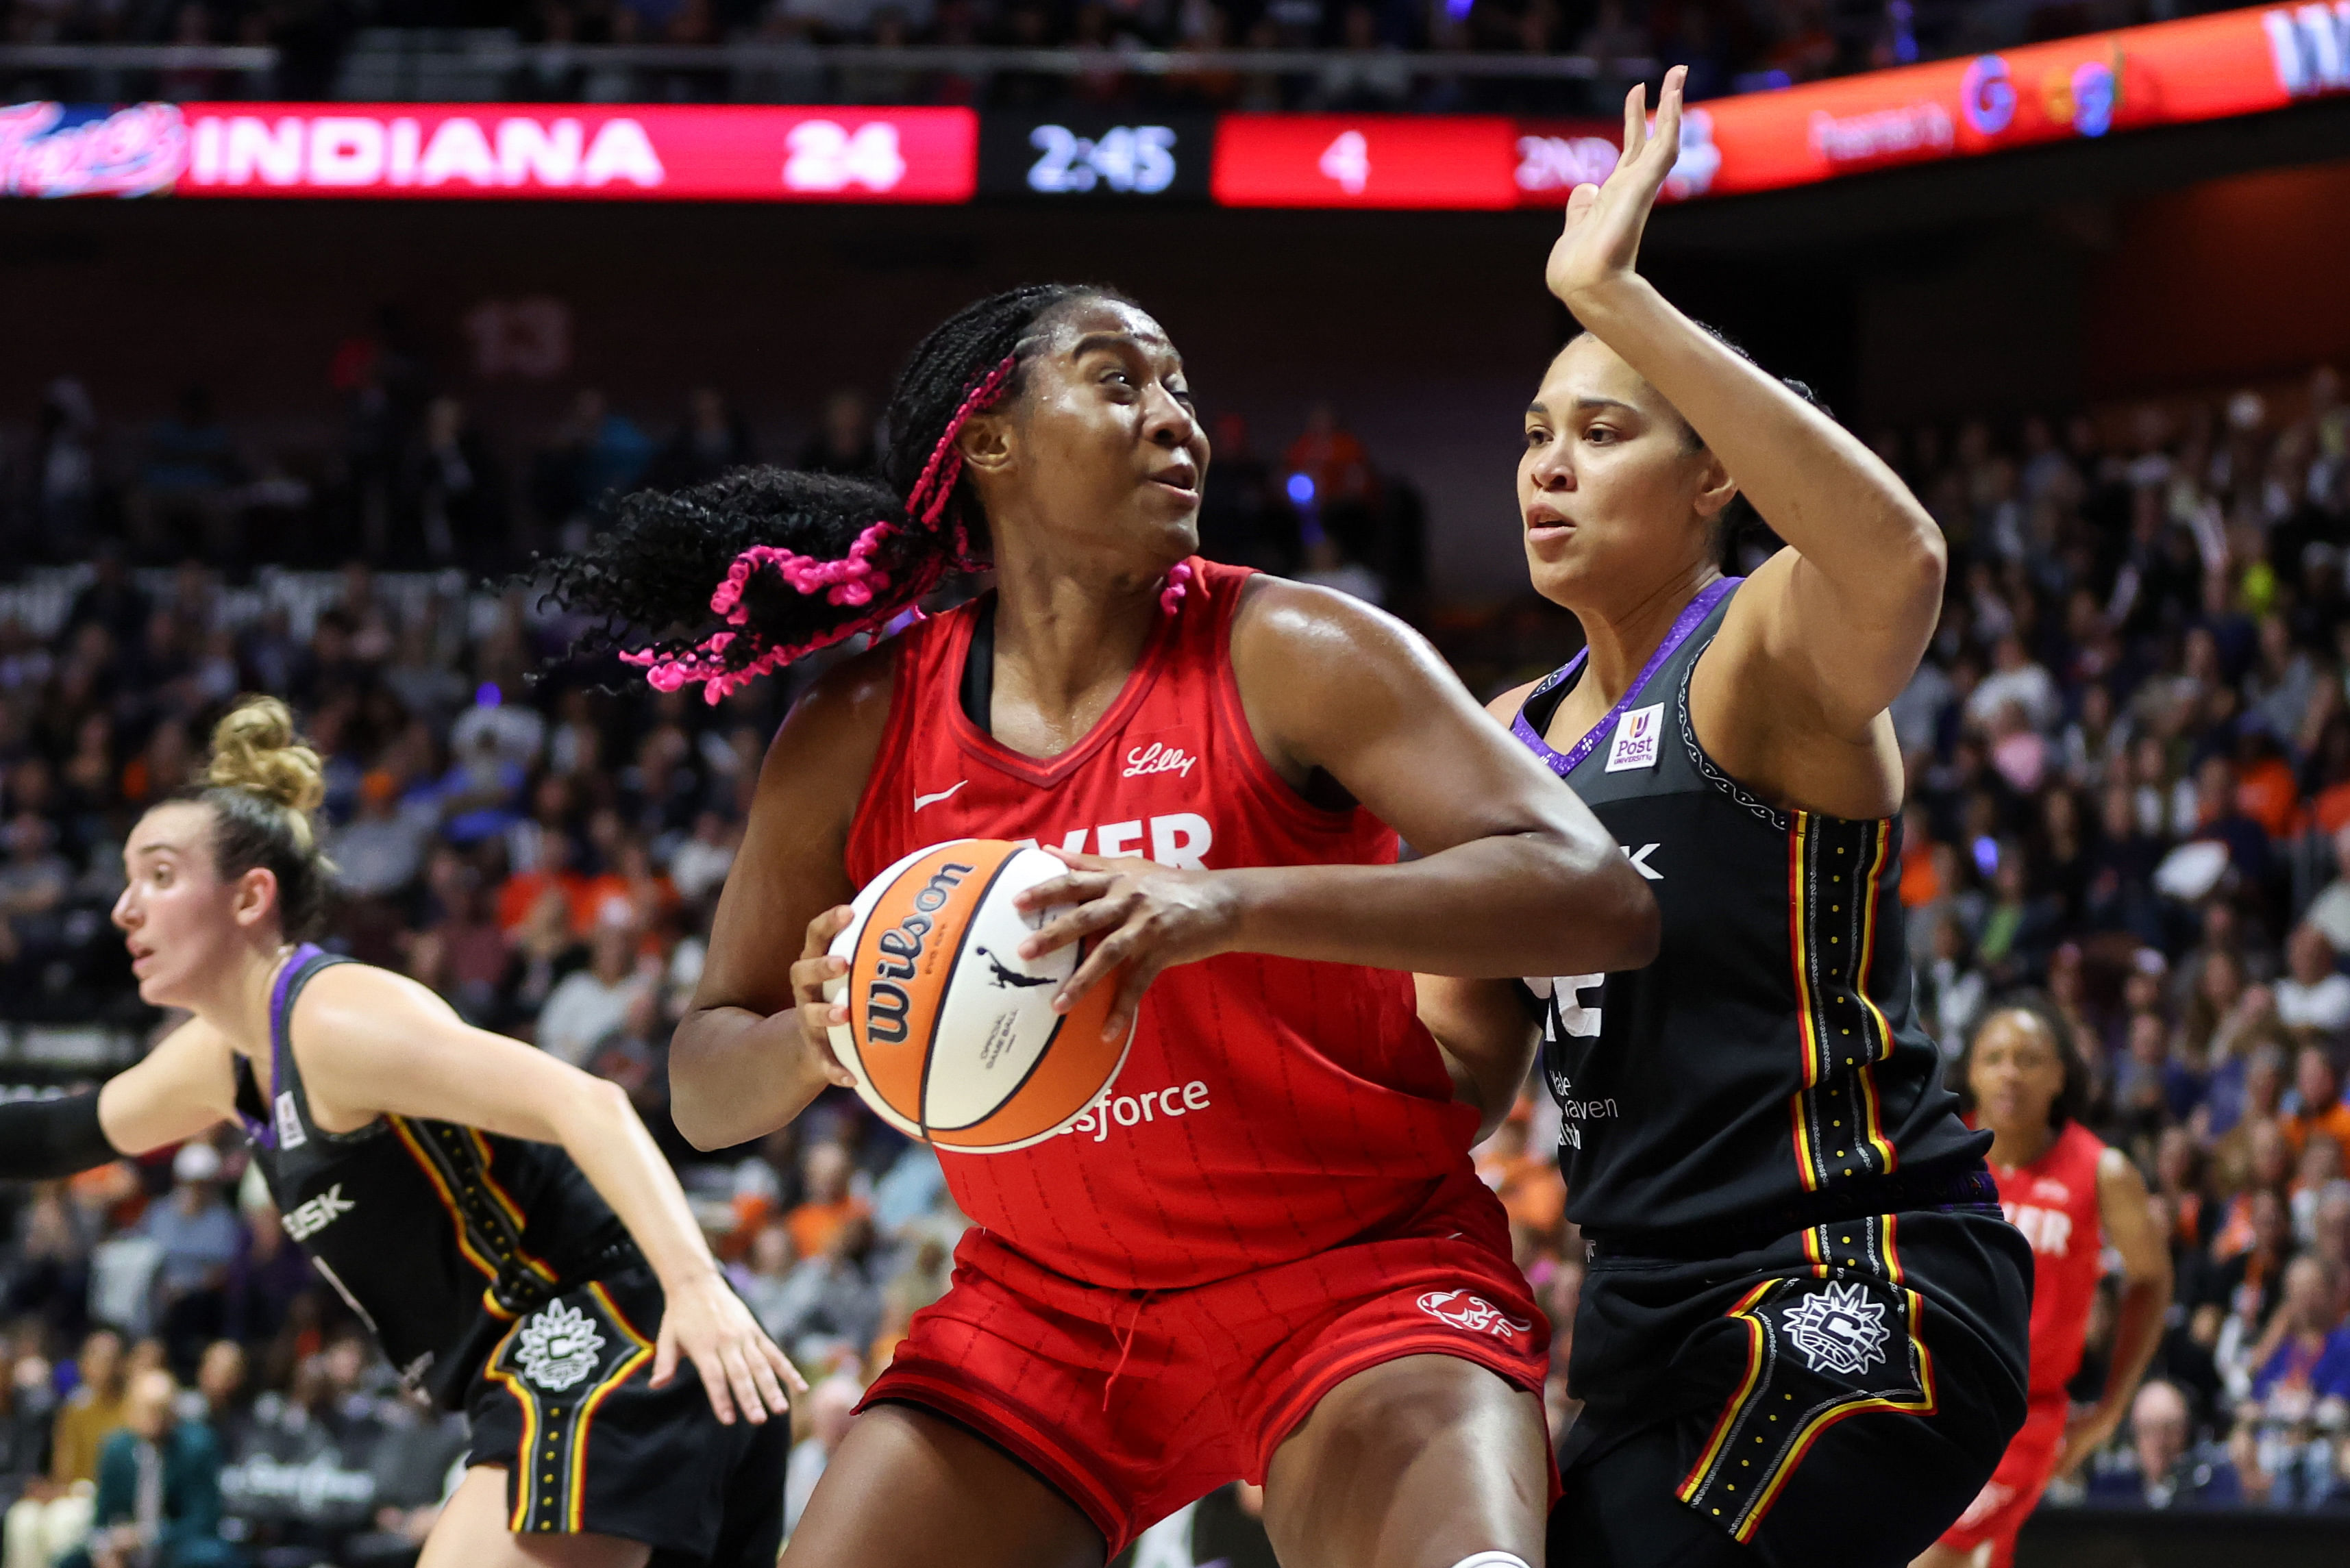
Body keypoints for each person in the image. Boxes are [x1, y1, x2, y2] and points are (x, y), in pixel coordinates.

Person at [541, 281, 1659, 1567]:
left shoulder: (1292, 644)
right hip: (1044, 1312)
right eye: (1121, 379)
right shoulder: (858, 725)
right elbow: (701, 1081)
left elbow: (1600, 899)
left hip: (1357, 1271)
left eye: (1182, 386)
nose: (1177, 418)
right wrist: (817, 1036)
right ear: (987, 441)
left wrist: (1224, 899)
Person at [1452, 69, 2032, 1568]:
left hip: (1857, 1269)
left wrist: (1616, 298)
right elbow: (1449, 1061)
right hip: (1641, 1314)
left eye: (1599, 430)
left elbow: (1898, 558)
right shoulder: (1497, 738)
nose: (1548, 465)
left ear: (1711, 468)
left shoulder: (1757, 643)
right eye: (1531, 434)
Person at [0, 699, 800, 1567]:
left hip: (606, 1331)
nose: (124, 908)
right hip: (585, 1360)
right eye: (126, 878)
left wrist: (695, 1287)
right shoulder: (223, 1056)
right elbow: (58, 1136)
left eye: (158, 876)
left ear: (249, 897)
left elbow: (590, 1104)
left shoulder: (334, 1019)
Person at [1916, 1003, 2171, 1568]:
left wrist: (2109, 1410)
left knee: (1927, 1557)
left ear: (2061, 1075)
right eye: (1995, 1057)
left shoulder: (2102, 1170)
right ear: (1972, 1072)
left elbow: (2151, 1281)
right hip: (1922, 1399)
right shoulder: (1932, 1153)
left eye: (2030, 1059)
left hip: (2020, 1421)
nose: (2011, 1072)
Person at [61, 1367, 236, 1568]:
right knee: (69, 1561)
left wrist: (146, 1536)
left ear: (174, 1411)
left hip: (174, 1545)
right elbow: (101, 1518)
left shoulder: (197, 1447)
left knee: (207, 1556)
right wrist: (105, 1548)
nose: (155, 1418)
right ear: (131, 1410)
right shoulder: (116, 1450)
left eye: (162, 1409)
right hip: (123, 1549)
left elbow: (203, 1520)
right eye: (147, 1408)